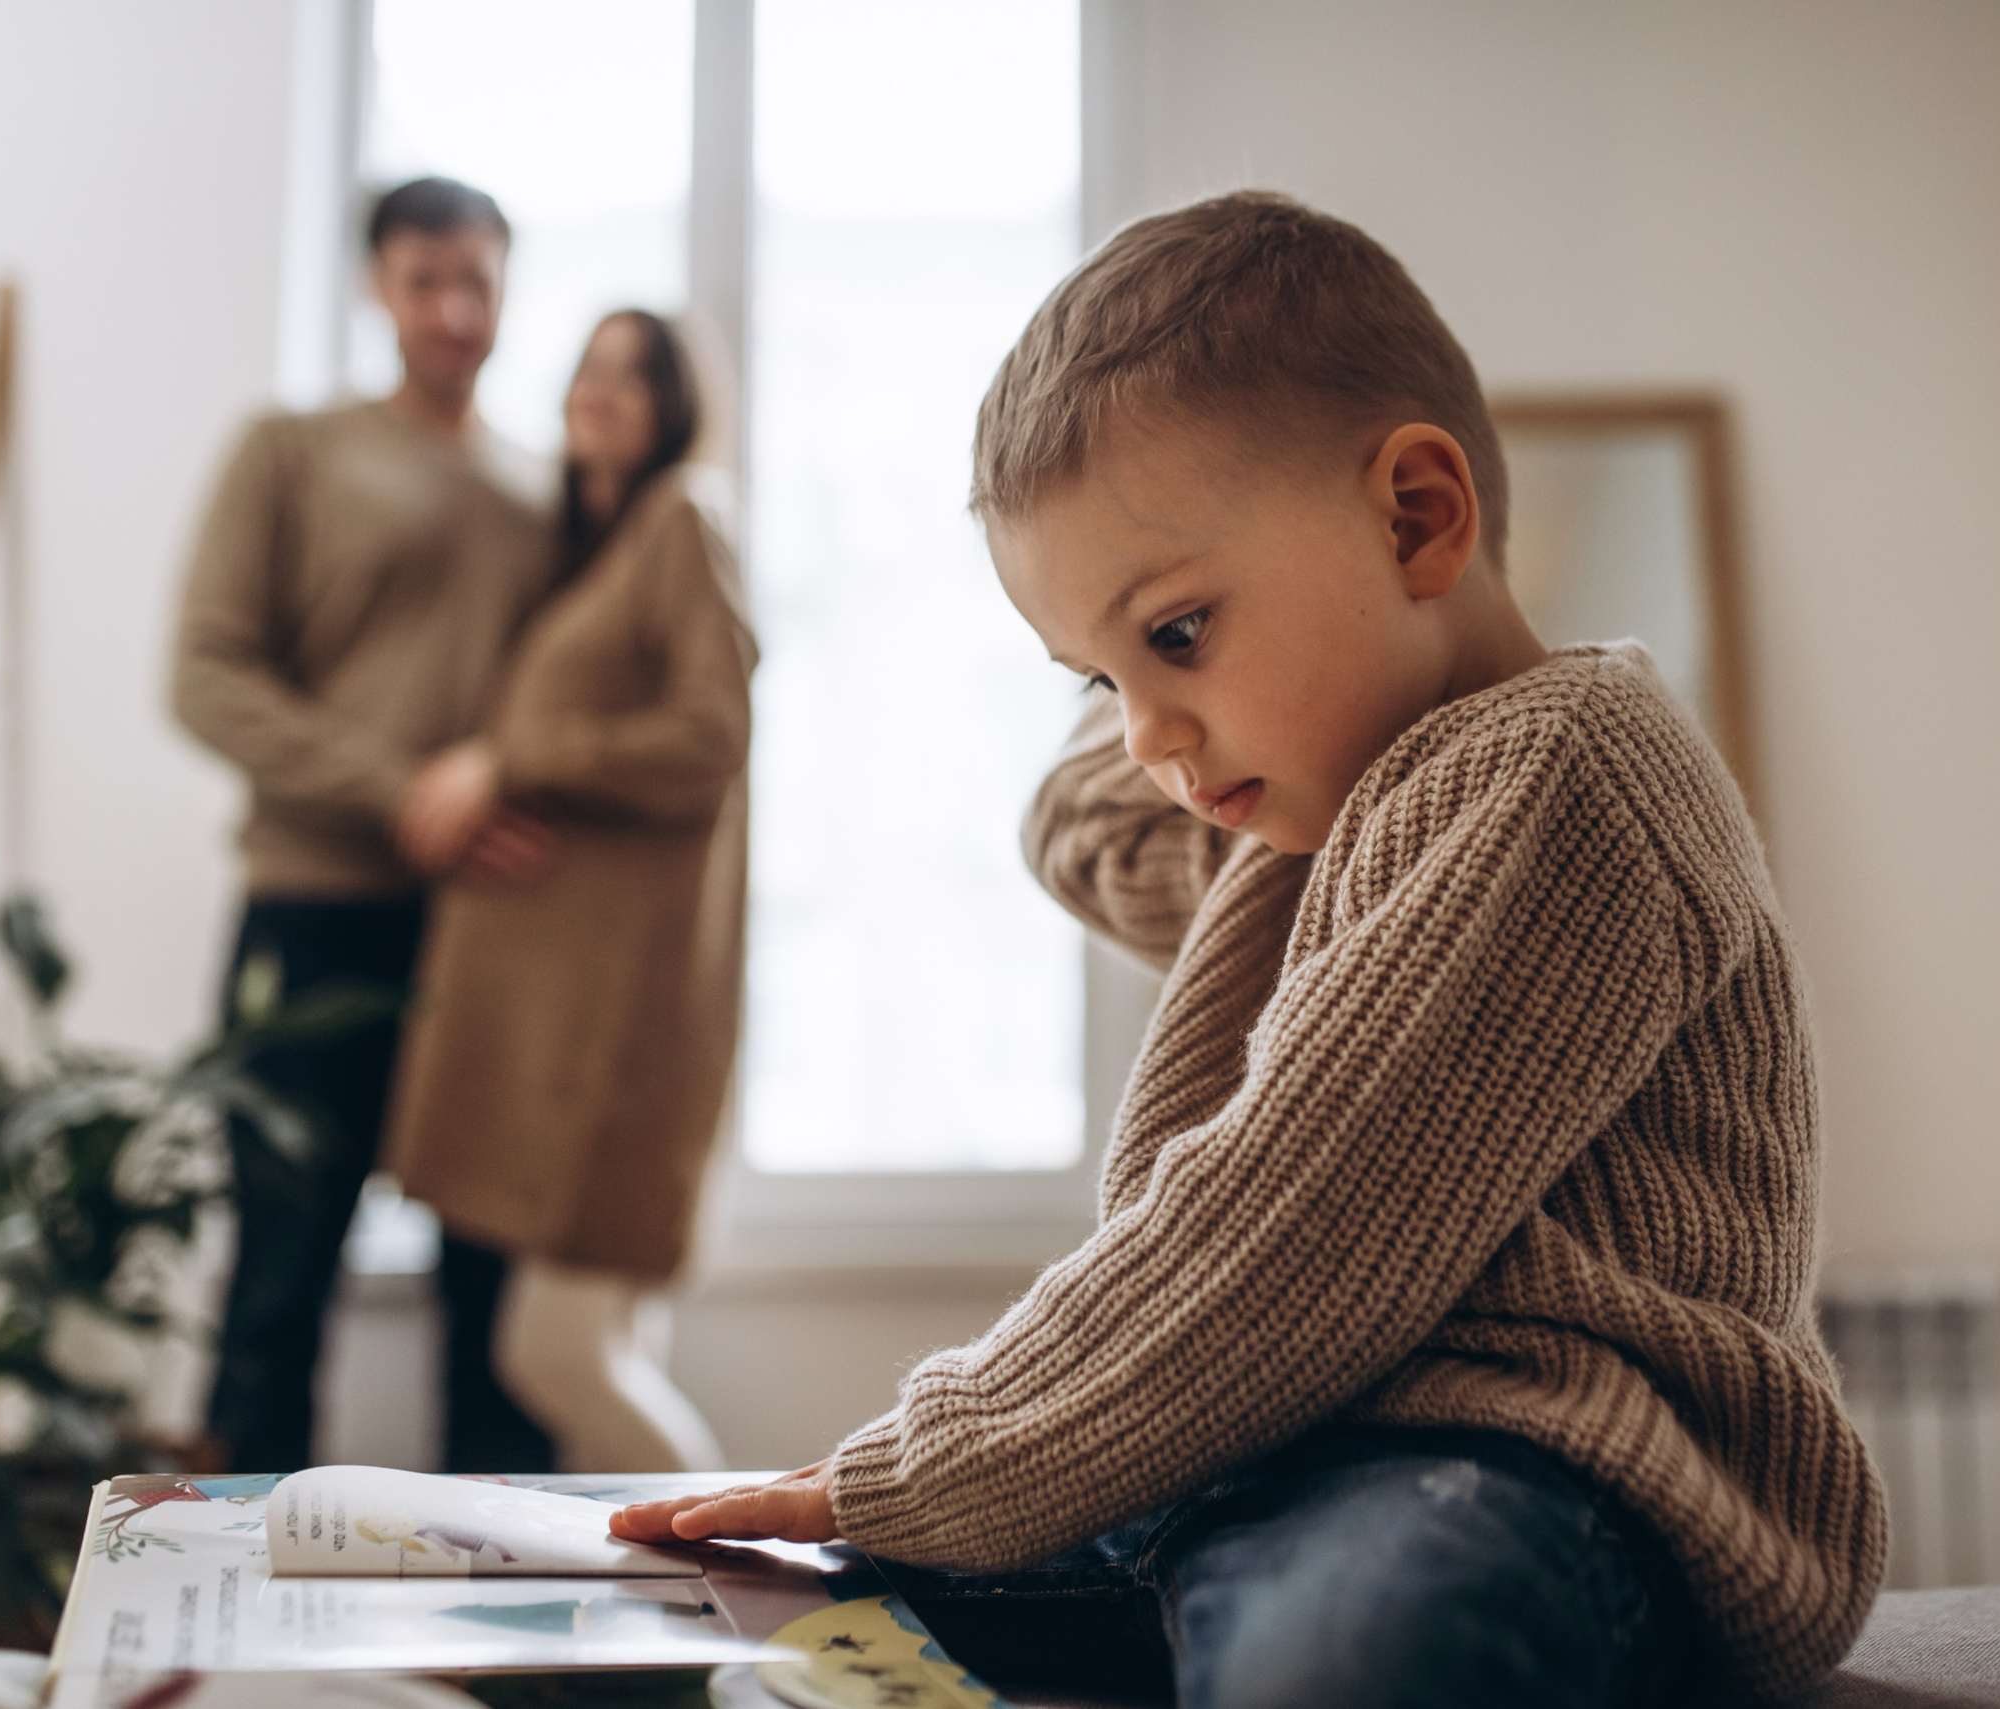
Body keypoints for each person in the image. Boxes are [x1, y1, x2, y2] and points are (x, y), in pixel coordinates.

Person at [612, 192, 1887, 1705]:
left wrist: (935, 1461)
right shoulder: (1306, 823)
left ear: (1417, 517)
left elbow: (1290, 1227)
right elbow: (1077, 828)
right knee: (750, 1597)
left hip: (1528, 1458)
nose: (1144, 740)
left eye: (1177, 633)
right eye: (1094, 680)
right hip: (1261, 1443)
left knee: (1349, 1655)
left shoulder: (1566, 768)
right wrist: (1137, 652)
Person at [174, 176, 557, 1475]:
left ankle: (508, 1599)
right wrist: (399, 792)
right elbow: (205, 673)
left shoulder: (544, 488)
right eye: (422, 280)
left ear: (506, 289)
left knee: (494, 1306)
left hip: (491, 934)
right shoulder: (291, 450)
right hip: (314, 918)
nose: (452, 310)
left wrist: (498, 771)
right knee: (279, 1282)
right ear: (374, 288)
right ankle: (233, 1595)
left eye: (476, 282)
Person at [384, 310, 751, 1475]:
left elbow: (709, 733)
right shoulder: (600, 542)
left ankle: (740, 1564)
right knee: (590, 1357)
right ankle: (683, 1587)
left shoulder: (682, 515)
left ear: (675, 406)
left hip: (619, 1030)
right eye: (589, 368)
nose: (600, 391)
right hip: (565, 1023)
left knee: (554, 1356)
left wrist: (511, 761)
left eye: (634, 377)